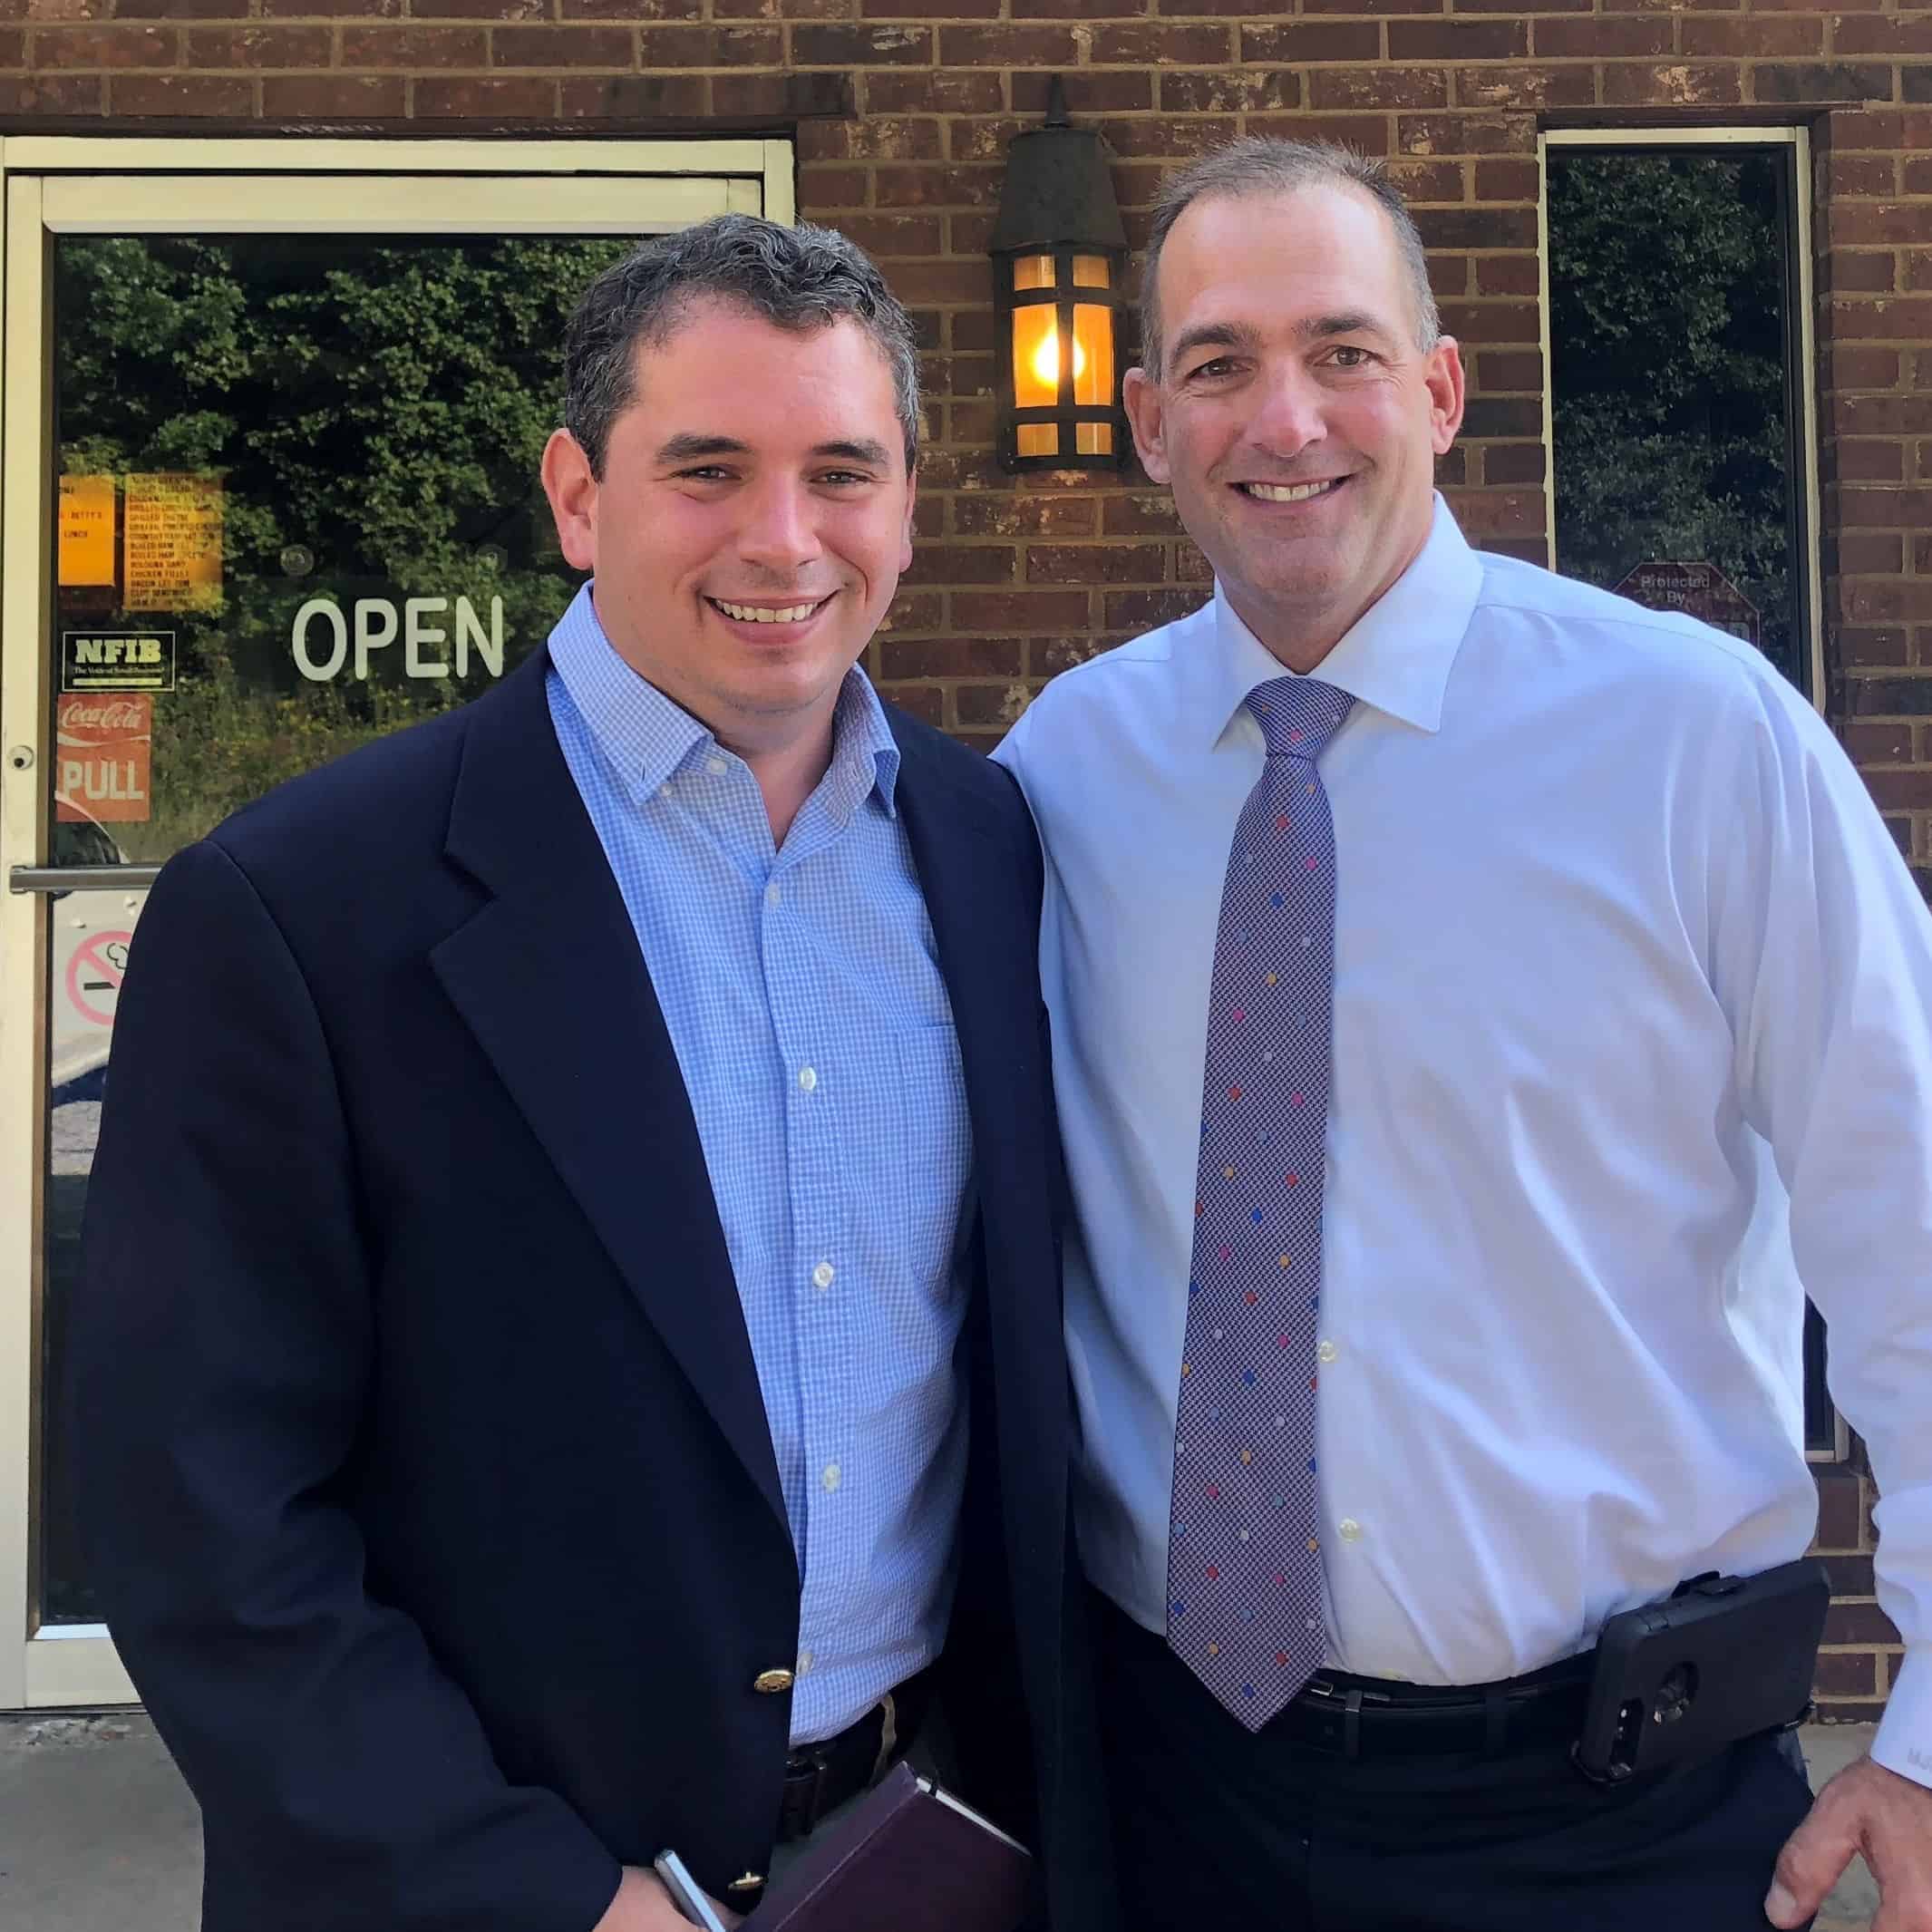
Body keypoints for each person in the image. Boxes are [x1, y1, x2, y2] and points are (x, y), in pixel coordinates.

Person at [70, 216, 1114, 1932]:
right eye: (708, 469)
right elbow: (199, 1517)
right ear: (576, 495)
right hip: (489, 1886)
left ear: (908, 504)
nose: (783, 539)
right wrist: (545, 1896)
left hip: (918, 1857)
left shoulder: (990, 843)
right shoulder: (302, 906)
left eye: (841, 472)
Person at [994, 138, 1932, 1930]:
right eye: (1218, 363)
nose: (1284, 419)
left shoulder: (1694, 740)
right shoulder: (1065, 773)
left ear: (1436, 389)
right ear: (1148, 424)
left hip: (1616, 1817)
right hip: (1178, 1795)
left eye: (1340, 351)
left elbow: (1915, 1215)